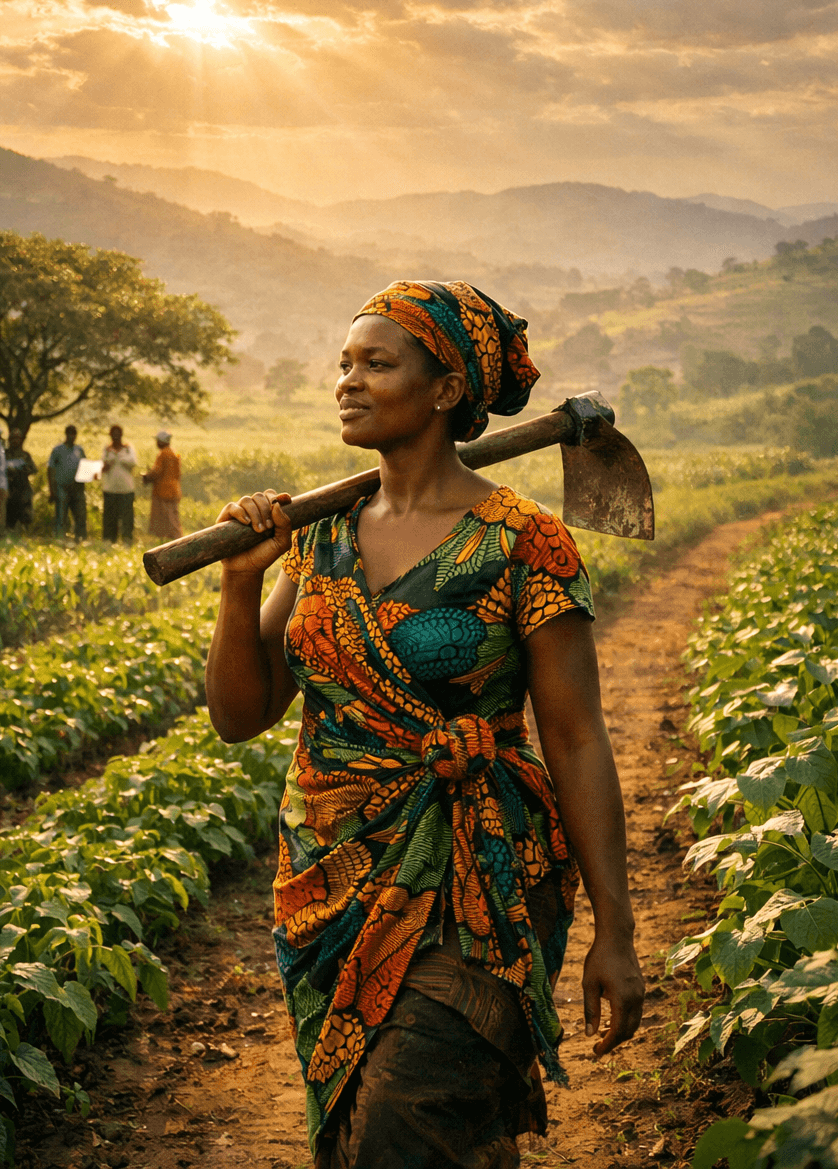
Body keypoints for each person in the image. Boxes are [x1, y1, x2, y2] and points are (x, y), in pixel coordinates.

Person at [207, 280, 644, 1169]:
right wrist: (239, 582)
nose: (348, 381)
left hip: (478, 881)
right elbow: (240, 716)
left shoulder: (525, 541)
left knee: (411, 1129)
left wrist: (619, 929)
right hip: (329, 881)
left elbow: (576, 738)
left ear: (447, 390)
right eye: (343, 363)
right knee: (361, 1129)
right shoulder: (320, 542)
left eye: (377, 363)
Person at [47, 424, 86, 541]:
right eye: (70, 433)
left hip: (77, 488)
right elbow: (50, 469)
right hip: (62, 487)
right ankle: (60, 538)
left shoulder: (79, 450)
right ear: (66, 434)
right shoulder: (58, 450)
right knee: (61, 515)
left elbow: (85, 466)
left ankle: (80, 539)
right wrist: (52, 489)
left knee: (80, 515)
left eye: (74, 434)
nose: (72, 436)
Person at [101, 424, 137, 543]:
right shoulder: (106, 450)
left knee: (127, 518)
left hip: (126, 489)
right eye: (113, 434)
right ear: (110, 435)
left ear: (121, 435)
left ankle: (127, 540)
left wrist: (120, 458)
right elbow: (103, 467)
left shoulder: (128, 449)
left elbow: (133, 463)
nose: (116, 436)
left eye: (118, 433)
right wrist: (109, 462)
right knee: (110, 518)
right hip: (110, 489)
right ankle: (109, 541)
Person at [143, 429, 181, 541]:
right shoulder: (174, 453)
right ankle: (171, 539)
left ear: (161, 441)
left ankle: (177, 539)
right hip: (174, 489)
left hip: (164, 491)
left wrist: (147, 476)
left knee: (169, 517)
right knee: (172, 516)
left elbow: (156, 472)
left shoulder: (163, 454)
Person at [5, 430, 38, 532]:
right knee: (9, 516)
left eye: (18, 438)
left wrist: (24, 469)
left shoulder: (25, 455)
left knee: (25, 516)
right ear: (9, 440)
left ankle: (23, 534)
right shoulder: (5, 454)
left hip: (23, 490)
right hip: (8, 489)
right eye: (13, 438)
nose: (15, 440)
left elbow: (34, 469)